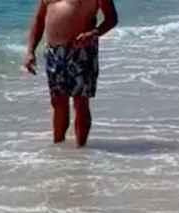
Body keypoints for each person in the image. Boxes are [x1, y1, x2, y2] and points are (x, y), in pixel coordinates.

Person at [23, 0, 118, 147]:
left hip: (82, 51)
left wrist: (94, 33)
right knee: (58, 101)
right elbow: (39, 19)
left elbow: (111, 18)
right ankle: (59, 149)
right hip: (54, 52)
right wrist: (30, 51)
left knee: (80, 102)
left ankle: (81, 150)